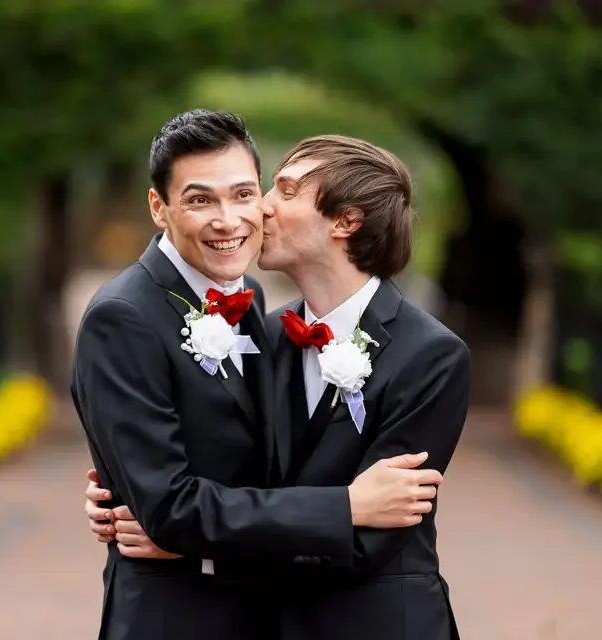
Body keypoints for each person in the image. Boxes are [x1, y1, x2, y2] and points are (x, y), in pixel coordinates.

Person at [70, 110, 443, 640]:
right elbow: (169, 507)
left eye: (244, 194)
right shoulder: (122, 317)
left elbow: (260, 463)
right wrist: (347, 506)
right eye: (201, 200)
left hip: (263, 613)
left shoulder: (249, 304)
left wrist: (183, 529)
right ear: (159, 207)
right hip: (176, 617)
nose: (230, 219)